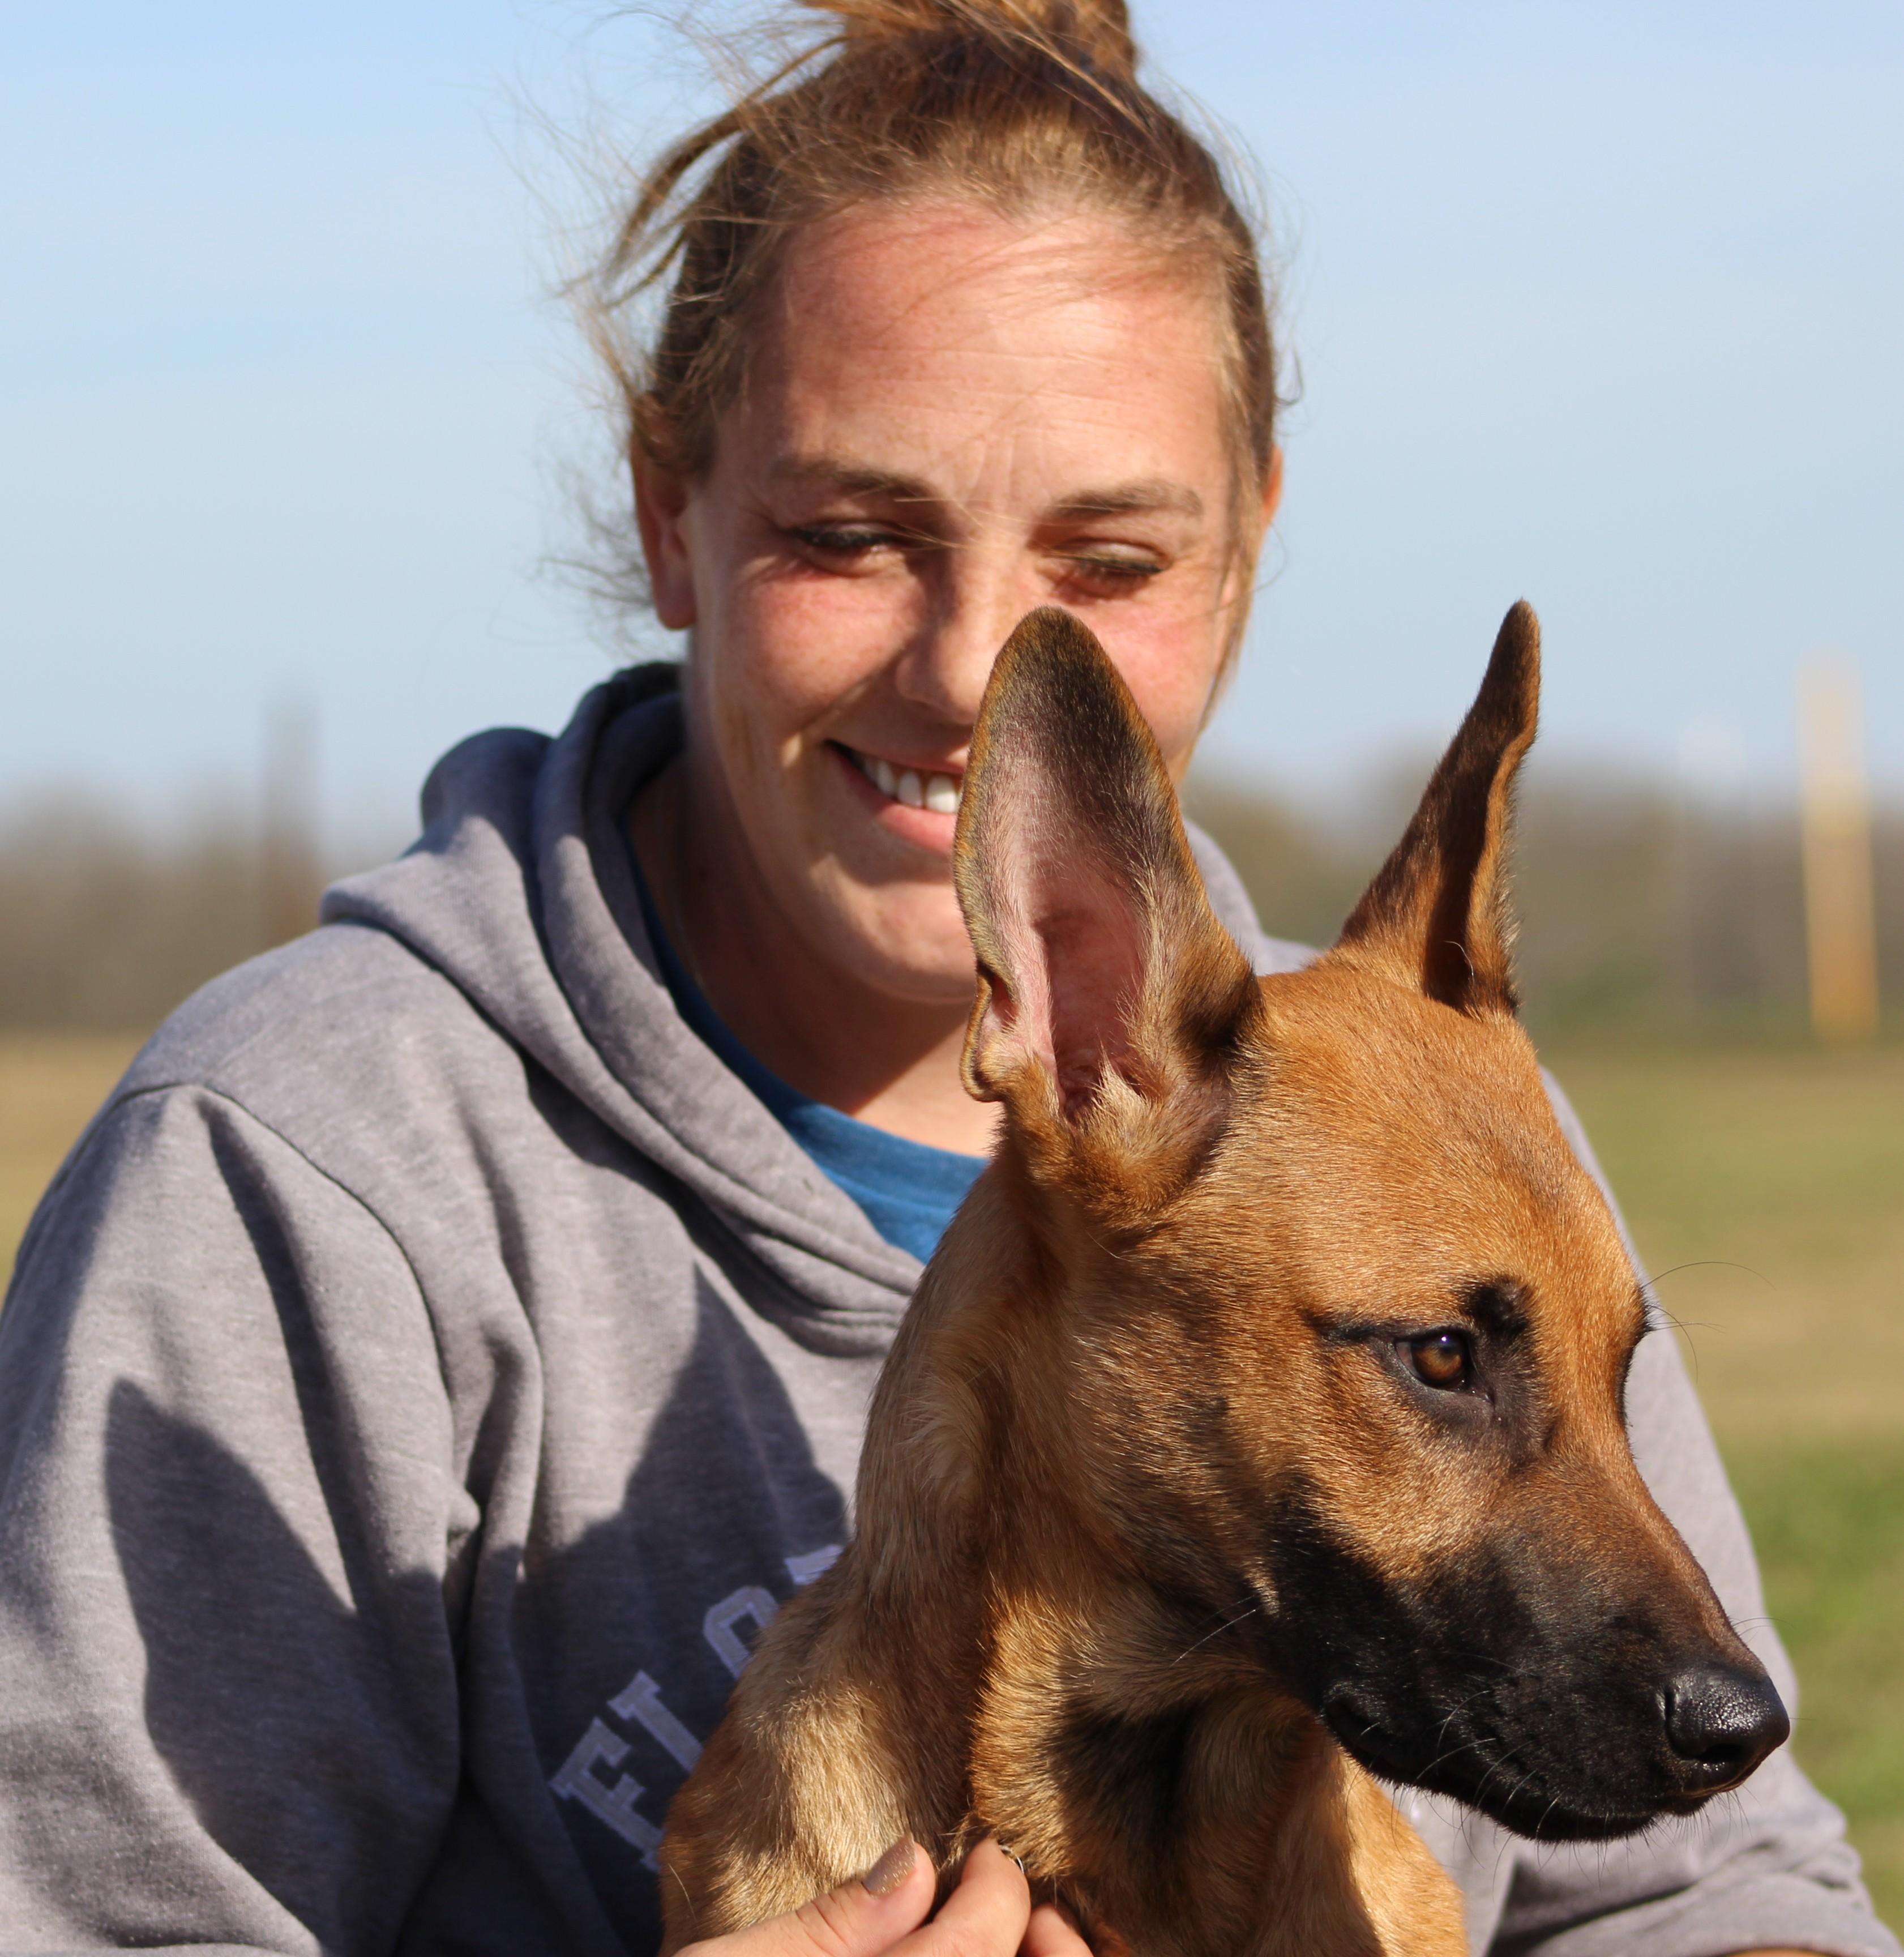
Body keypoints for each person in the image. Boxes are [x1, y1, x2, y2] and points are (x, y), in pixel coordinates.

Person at [0, 3, 1893, 1954]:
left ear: (1244, 552)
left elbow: (1717, 1900)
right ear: (672, 513)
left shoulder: (1425, 1124)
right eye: (848, 533)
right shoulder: (298, 1171)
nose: (977, 666)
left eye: (1111, 553)